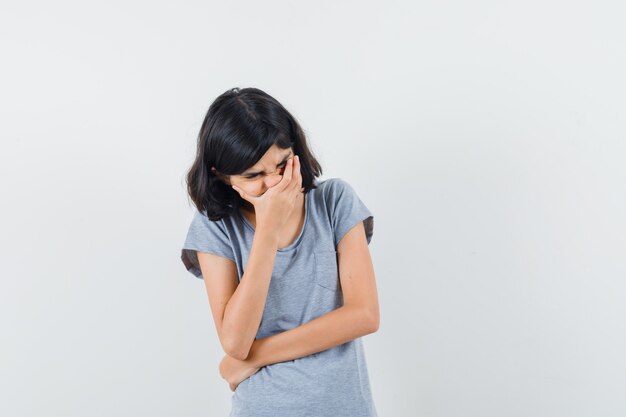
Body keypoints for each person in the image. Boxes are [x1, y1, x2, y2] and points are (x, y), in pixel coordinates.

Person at [180, 87, 379, 417]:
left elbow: (365, 315)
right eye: (253, 175)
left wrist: (256, 356)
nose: (274, 183)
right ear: (222, 176)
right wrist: (268, 229)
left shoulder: (334, 202)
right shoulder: (215, 228)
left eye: (282, 164)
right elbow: (235, 342)